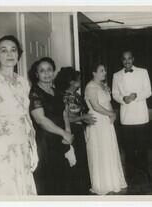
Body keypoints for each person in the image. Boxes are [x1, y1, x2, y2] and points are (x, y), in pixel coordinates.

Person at [0, 35, 38, 195]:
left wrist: (33, 147)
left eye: (13, 50)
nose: (9, 54)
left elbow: (26, 115)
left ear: (18, 54)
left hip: (21, 142)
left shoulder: (23, 81)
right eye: (4, 50)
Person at [28, 57, 74, 195]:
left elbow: (65, 114)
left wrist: (68, 135)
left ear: (53, 72)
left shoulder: (58, 92)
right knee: (48, 184)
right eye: (42, 71)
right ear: (36, 74)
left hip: (60, 141)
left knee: (62, 181)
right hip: (45, 144)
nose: (46, 73)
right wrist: (63, 133)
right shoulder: (35, 92)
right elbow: (40, 119)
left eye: (49, 70)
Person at [84, 63, 127, 195]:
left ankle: (112, 180)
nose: (104, 73)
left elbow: (107, 102)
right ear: (94, 73)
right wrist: (111, 114)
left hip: (107, 121)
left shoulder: (102, 85)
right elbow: (96, 106)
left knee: (108, 149)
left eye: (105, 70)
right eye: (101, 70)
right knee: (100, 151)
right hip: (98, 121)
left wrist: (111, 113)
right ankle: (102, 183)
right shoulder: (90, 86)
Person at [112, 50, 152, 183]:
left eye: (129, 59)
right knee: (128, 148)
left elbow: (148, 91)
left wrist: (136, 96)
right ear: (121, 61)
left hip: (141, 116)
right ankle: (131, 174)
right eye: (124, 59)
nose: (127, 61)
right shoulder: (116, 75)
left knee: (142, 147)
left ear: (133, 59)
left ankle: (144, 171)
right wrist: (123, 98)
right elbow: (115, 94)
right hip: (126, 117)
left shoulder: (143, 72)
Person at [54, 67, 96, 195]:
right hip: (71, 130)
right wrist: (82, 118)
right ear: (71, 82)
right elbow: (66, 117)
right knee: (75, 160)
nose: (80, 81)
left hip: (79, 129)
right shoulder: (64, 96)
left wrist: (84, 119)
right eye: (78, 79)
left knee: (82, 158)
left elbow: (80, 113)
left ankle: (83, 189)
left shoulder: (76, 95)